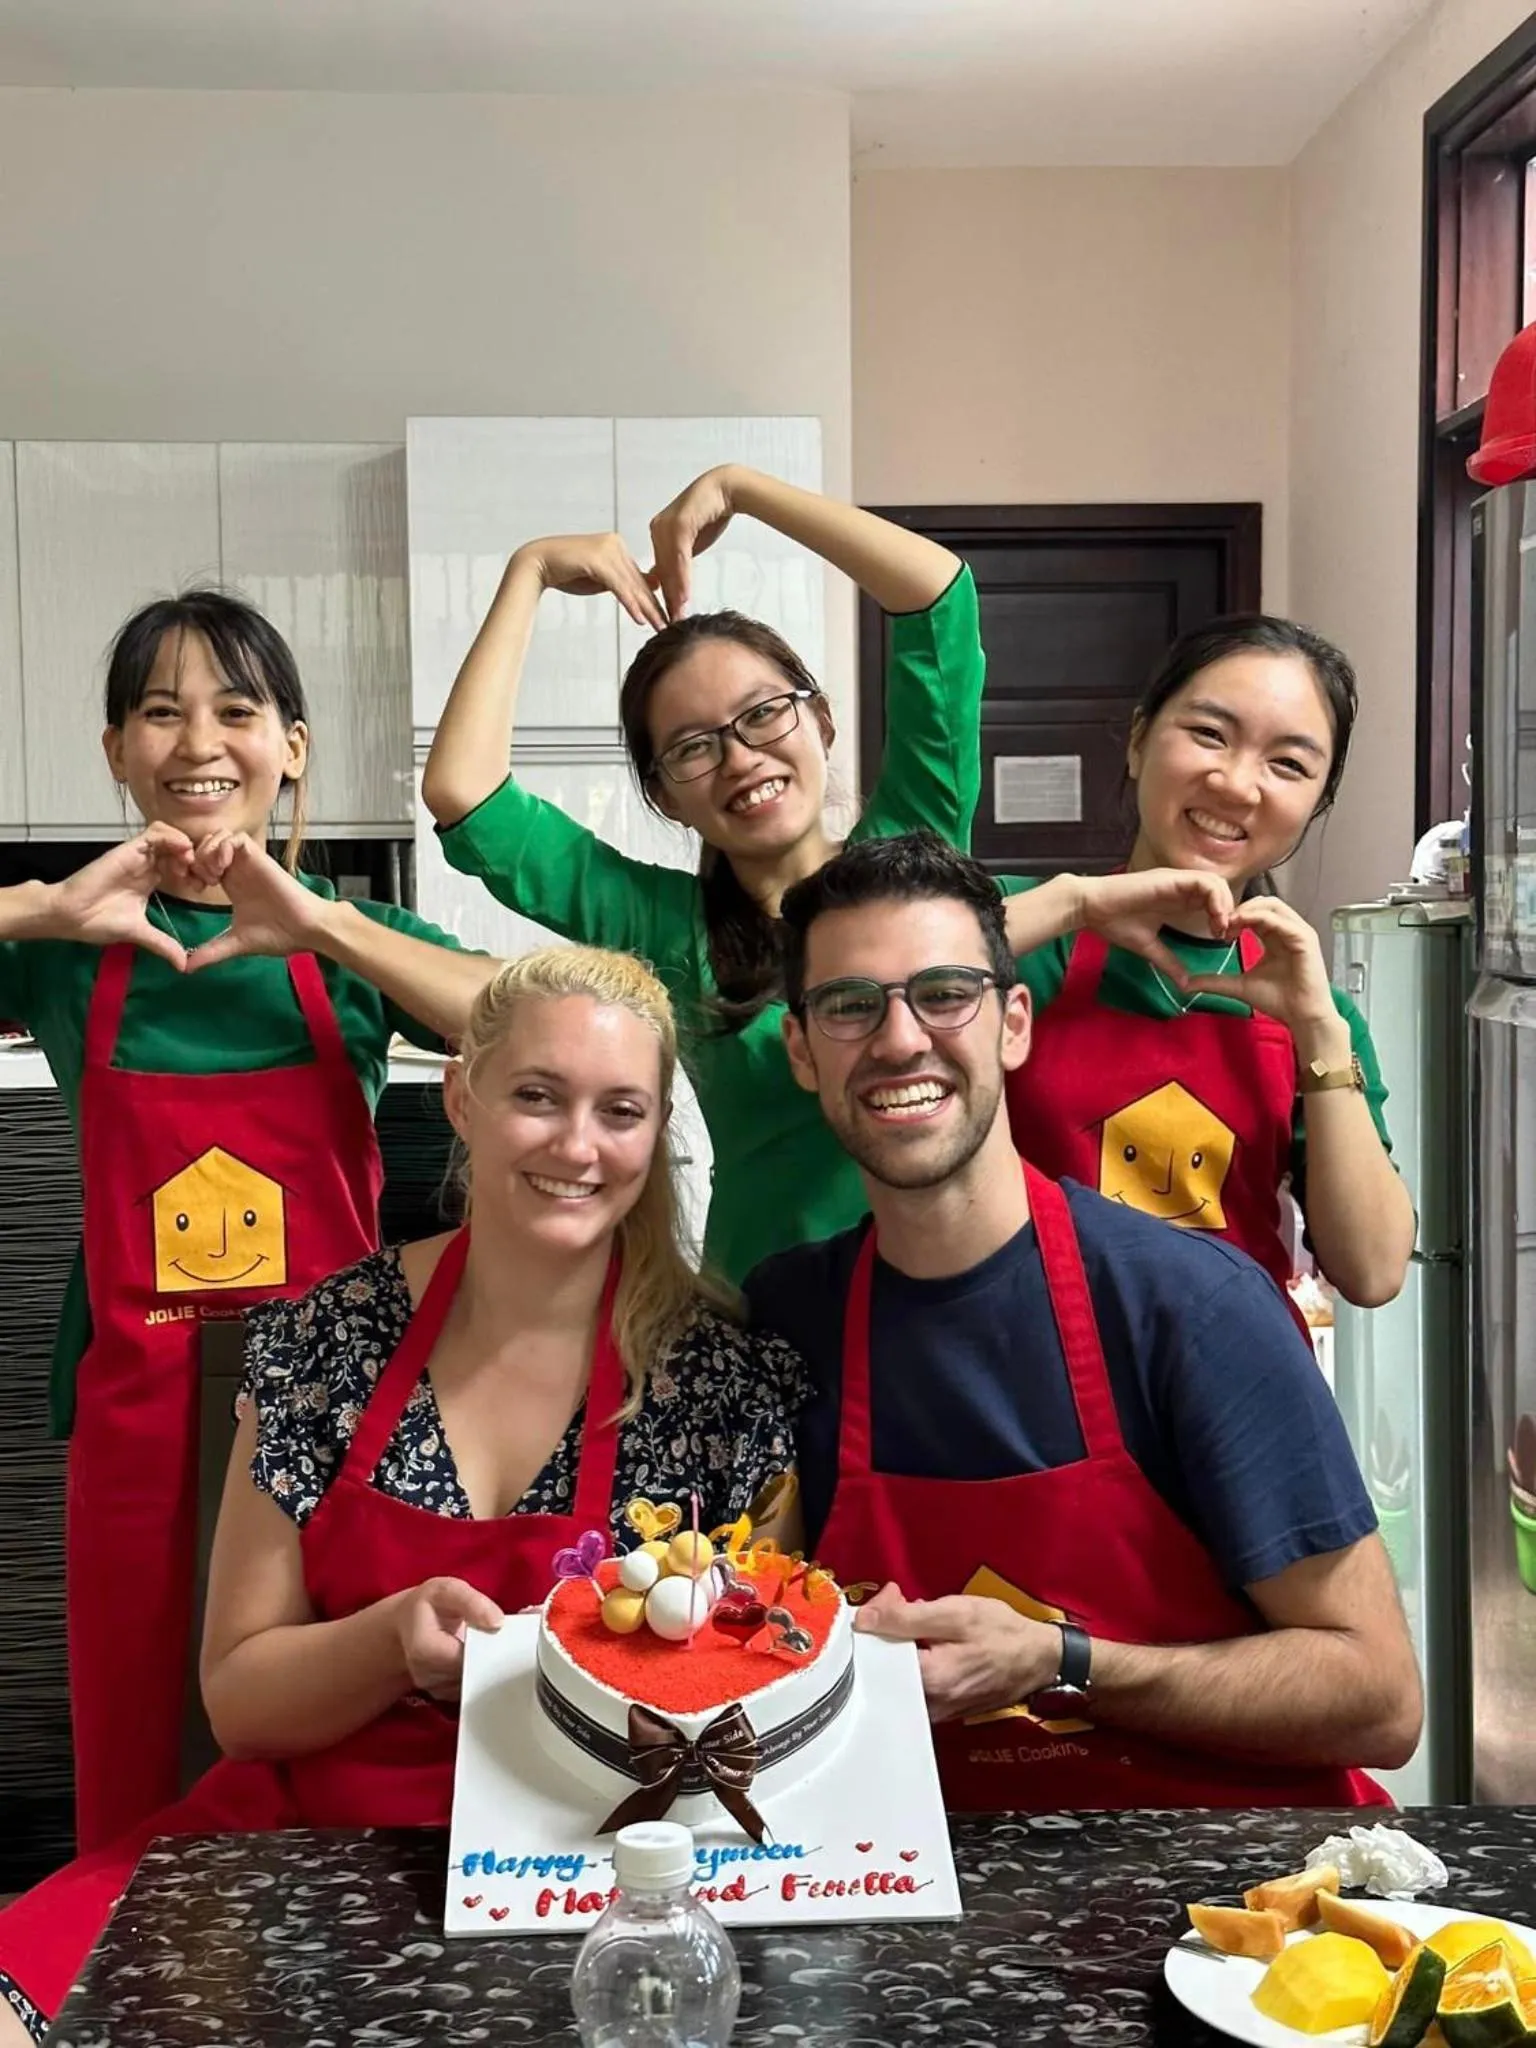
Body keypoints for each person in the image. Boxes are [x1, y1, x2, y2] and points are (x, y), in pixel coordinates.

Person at [0, 945, 808, 2045]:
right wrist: (389, 1639)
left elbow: (769, 1718)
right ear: (462, 1098)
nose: (578, 1145)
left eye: (621, 1110)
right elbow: (239, 1696)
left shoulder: (720, 1382)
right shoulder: (325, 1343)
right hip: (301, 1849)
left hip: (593, 1877)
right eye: (537, 1095)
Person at [746, 831, 1423, 1811]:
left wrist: (1063, 1660)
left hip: (1231, 1914)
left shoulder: (1193, 1307)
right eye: (852, 1006)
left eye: (945, 993)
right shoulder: (789, 1315)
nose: (900, 1040)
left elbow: (1380, 1699)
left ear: (1013, 1022)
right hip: (929, 1891)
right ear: (803, 1051)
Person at [0, 590, 496, 1852]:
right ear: (115, 751)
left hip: (337, 1403)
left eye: (236, 708)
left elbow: (541, 1018)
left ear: (295, 744)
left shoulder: (356, 939)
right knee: (139, 1735)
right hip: (139, 1406)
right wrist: (41, 909)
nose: (199, 741)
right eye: (160, 712)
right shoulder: (73, 947)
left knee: (328, 1739)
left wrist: (324, 922)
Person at [422, 463, 986, 1283]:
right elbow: (465, 795)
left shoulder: (913, 861)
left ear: (820, 721)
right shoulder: (666, 929)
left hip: (948, 1297)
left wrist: (743, 489)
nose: (740, 758)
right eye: (693, 746)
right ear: (663, 794)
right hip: (766, 1323)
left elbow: (938, 600)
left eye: (763, 714)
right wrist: (531, 570)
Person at [999, 616, 1414, 1312]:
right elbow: (885, 976)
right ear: (1137, 742)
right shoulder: (1026, 927)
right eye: (1209, 734)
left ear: (1316, 805)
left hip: (1230, 1389)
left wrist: (1319, 1030)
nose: (1236, 783)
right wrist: (1075, 904)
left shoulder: (1317, 1014)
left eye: (1288, 765)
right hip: (1031, 1379)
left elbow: (1372, 1271)